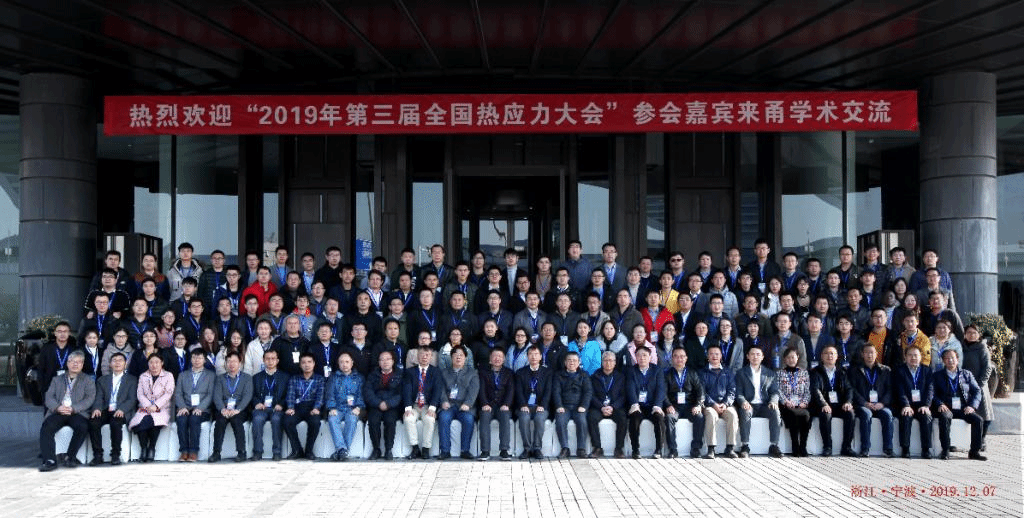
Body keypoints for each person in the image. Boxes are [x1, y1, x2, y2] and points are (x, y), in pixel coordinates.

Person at [38, 351, 95, 472]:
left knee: (83, 426)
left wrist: (74, 408)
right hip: (58, 411)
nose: (75, 364)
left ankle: (70, 457)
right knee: (47, 427)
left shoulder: (88, 380)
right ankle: (50, 460)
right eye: (72, 361)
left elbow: (89, 399)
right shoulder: (56, 379)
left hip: (77, 412)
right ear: (67, 363)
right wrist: (58, 407)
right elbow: (49, 397)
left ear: (82, 364)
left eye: (79, 362)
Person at [932, 349, 986, 460]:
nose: (950, 360)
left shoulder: (966, 374)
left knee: (978, 420)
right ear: (943, 361)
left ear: (957, 360)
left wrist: (972, 406)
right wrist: (939, 403)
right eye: (947, 358)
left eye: (952, 358)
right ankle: (945, 450)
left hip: (963, 408)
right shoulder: (937, 376)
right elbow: (931, 393)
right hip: (947, 407)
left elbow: (977, 391)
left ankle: (974, 452)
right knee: (944, 418)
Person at [88, 352, 137, 466]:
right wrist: (97, 408)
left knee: (115, 423)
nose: (117, 363)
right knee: (93, 422)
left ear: (125, 364)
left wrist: (122, 409)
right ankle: (98, 455)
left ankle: (115, 454)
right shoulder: (102, 380)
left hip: (121, 410)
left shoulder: (132, 379)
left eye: (120, 360)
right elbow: (98, 397)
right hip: (105, 409)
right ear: (110, 364)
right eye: (114, 360)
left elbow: (132, 399)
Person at [734, 346, 783, 458]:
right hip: (749, 404)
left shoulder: (770, 373)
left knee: (775, 412)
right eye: (752, 354)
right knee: (745, 412)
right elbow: (738, 392)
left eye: (758, 354)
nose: (755, 357)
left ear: (762, 357)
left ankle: (774, 445)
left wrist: (773, 401)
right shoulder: (741, 373)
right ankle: (745, 446)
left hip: (765, 405)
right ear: (747, 356)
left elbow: (775, 392)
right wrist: (743, 402)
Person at [810, 345, 856, 457]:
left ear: (836, 357)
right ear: (822, 356)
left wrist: (848, 402)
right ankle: (827, 447)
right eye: (826, 353)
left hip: (839, 405)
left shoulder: (843, 372)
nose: (829, 356)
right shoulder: (815, 372)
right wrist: (823, 404)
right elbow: (815, 390)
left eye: (832, 353)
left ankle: (846, 447)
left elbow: (849, 389)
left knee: (850, 413)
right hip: (823, 405)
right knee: (825, 414)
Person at [128, 353, 174, 463]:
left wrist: (156, 405)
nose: (154, 365)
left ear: (162, 363)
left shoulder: (168, 376)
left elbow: (168, 393)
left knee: (153, 421)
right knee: (141, 420)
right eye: (151, 362)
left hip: (162, 409)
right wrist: (148, 406)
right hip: (145, 408)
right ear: (148, 364)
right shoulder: (143, 376)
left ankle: (151, 448)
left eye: (157, 362)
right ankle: (144, 449)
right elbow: (140, 394)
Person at [850, 345, 894, 457]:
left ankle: (888, 448)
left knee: (888, 414)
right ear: (862, 354)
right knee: (866, 414)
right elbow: (853, 390)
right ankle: (865, 448)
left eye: (872, 352)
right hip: (863, 404)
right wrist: (864, 403)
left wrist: (882, 403)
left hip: (880, 404)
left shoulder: (885, 370)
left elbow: (890, 390)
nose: (870, 355)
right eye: (867, 352)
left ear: (876, 354)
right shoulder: (855, 370)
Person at [209, 351, 253, 462]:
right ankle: (216, 452)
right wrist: (222, 409)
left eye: (234, 361)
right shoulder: (220, 378)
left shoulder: (247, 378)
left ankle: (241, 452)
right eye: (228, 361)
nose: (231, 364)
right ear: (225, 363)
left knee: (236, 421)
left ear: (240, 363)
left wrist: (238, 409)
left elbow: (247, 396)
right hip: (224, 408)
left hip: (240, 409)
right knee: (220, 422)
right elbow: (217, 396)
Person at [437, 345, 479, 460]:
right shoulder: (444, 372)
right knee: (443, 418)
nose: (458, 357)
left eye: (461, 355)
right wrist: (444, 401)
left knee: (468, 419)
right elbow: (441, 389)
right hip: (449, 405)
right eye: (455, 355)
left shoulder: (472, 373)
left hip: (464, 406)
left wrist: (468, 404)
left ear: (465, 358)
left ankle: (465, 450)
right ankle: (445, 451)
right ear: (451, 358)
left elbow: (474, 390)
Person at [663, 347, 705, 459]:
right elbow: (663, 392)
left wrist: (698, 405)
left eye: (682, 356)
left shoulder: (692, 372)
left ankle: (696, 449)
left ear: (686, 358)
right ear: (672, 358)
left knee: (700, 417)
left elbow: (700, 391)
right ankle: (672, 449)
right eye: (676, 356)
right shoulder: (667, 374)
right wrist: (668, 405)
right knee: (669, 418)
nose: (679, 359)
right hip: (674, 406)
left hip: (689, 406)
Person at [173, 348, 214, 462]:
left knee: (194, 419)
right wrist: (182, 407)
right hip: (185, 407)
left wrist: (201, 408)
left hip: (202, 409)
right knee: (181, 419)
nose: (196, 360)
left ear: (204, 360)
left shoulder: (211, 375)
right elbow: (178, 393)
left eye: (199, 358)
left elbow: (210, 394)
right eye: (194, 357)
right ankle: (184, 451)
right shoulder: (183, 375)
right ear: (190, 359)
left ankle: (193, 451)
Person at [894, 345, 934, 458]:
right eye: (910, 355)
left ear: (920, 357)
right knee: (906, 416)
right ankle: (905, 449)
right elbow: (899, 389)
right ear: (905, 357)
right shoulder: (899, 370)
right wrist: (906, 405)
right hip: (906, 405)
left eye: (916, 355)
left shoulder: (927, 370)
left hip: (922, 405)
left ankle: (926, 449)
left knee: (926, 416)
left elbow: (930, 389)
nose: (913, 358)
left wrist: (926, 405)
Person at [626, 345, 666, 459]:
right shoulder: (631, 370)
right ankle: (635, 450)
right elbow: (630, 387)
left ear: (650, 357)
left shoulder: (657, 370)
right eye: (639, 355)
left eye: (644, 355)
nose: (642, 358)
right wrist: (634, 404)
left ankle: (658, 450)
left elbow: (661, 388)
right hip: (638, 406)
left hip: (653, 405)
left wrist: (657, 405)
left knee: (659, 419)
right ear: (635, 357)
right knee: (634, 418)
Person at [403, 347, 443, 459]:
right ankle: (415, 448)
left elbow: (437, 390)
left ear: (431, 357)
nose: (424, 357)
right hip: (414, 405)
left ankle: (426, 449)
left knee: (430, 419)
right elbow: (406, 389)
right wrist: (408, 408)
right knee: (408, 419)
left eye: (427, 355)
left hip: (427, 405)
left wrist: (432, 407)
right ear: (417, 356)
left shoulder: (436, 372)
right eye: (421, 354)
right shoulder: (410, 372)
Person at [284, 352, 325, 460]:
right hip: (297, 408)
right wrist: (290, 407)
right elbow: (290, 395)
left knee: (315, 422)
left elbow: (320, 396)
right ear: (300, 365)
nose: (307, 365)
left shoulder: (319, 379)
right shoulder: (294, 378)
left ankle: (309, 451)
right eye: (303, 362)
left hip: (312, 408)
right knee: (287, 421)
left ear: (314, 364)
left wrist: (316, 408)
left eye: (309, 362)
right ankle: (297, 450)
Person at [364, 349, 404, 461]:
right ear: (378, 362)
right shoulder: (373, 375)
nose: (385, 362)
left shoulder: (399, 375)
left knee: (390, 421)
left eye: (388, 359)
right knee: (373, 421)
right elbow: (368, 392)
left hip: (392, 406)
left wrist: (388, 403)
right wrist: (378, 403)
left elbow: (400, 394)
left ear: (393, 361)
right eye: (382, 359)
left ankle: (388, 449)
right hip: (376, 404)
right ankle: (376, 449)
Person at [699, 344, 738, 459]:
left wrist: (726, 403)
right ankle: (711, 449)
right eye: (711, 354)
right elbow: (701, 392)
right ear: (707, 356)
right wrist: (713, 404)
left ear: (721, 356)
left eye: (717, 354)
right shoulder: (702, 372)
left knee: (733, 414)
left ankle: (730, 448)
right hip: (709, 405)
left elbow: (732, 390)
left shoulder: (728, 371)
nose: (714, 356)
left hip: (725, 404)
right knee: (711, 415)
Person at [587, 351, 628, 459]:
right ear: (602, 362)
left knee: (622, 418)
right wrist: (601, 407)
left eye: (611, 360)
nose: (608, 363)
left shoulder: (621, 377)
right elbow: (591, 395)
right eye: (605, 360)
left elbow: (623, 396)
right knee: (591, 417)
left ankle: (619, 448)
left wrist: (612, 407)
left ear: (615, 363)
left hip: (615, 407)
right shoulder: (594, 376)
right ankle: (597, 448)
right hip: (599, 407)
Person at [251, 348, 289, 461]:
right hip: (261, 408)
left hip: (277, 409)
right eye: (267, 359)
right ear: (263, 360)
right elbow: (252, 394)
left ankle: (277, 452)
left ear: (277, 360)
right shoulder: (256, 377)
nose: (270, 361)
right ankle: (257, 451)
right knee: (257, 419)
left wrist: (281, 404)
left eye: (273, 359)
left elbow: (288, 394)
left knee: (276, 420)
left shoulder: (285, 377)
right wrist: (257, 403)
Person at [477, 348, 515, 461]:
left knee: (505, 417)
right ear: (490, 359)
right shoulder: (483, 372)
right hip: (488, 404)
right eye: (494, 356)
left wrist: (507, 404)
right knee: (484, 417)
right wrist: (484, 403)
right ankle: (485, 451)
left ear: (504, 359)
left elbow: (511, 390)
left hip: (503, 405)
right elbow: (481, 390)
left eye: (500, 356)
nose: (497, 358)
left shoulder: (509, 373)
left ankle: (504, 450)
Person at [325, 351, 364, 461]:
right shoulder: (333, 377)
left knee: (352, 419)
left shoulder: (359, 378)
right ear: (338, 364)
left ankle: (341, 450)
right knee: (332, 419)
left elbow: (361, 394)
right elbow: (330, 394)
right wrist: (332, 407)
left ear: (352, 363)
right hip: (338, 408)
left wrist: (358, 407)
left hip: (352, 408)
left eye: (347, 362)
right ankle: (343, 450)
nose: (344, 364)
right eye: (341, 362)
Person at [552, 351, 592, 459]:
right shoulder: (558, 375)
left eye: (574, 360)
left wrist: (584, 406)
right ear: (565, 362)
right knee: (560, 421)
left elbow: (588, 392)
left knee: (582, 421)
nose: (572, 363)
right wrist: (559, 406)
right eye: (569, 360)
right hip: (564, 406)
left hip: (579, 407)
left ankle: (581, 449)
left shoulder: (584, 375)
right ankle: (565, 448)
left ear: (579, 363)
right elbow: (556, 392)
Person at [515, 345, 552, 459]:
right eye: (531, 354)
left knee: (539, 419)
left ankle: (537, 448)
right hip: (525, 405)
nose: (533, 357)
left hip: (541, 406)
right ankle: (527, 448)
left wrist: (543, 405)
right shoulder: (520, 372)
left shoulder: (547, 372)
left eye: (536, 354)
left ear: (541, 356)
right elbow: (518, 391)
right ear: (527, 356)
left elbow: (548, 391)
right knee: (524, 418)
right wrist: (523, 404)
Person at [960, 325, 993, 451]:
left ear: (979, 335)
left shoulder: (982, 348)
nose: (971, 335)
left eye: (974, 333)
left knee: (984, 413)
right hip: (963, 385)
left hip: (979, 385)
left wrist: (979, 384)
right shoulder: (961, 347)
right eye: (969, 332)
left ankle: (982, 440)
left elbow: (987, 368)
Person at [777, 347, 812, 457]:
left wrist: (804, 402)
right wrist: (785, 401)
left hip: (801, 404)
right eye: (788, 357)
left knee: (806, 415)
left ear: (797, 358)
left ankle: (803, 446)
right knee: (793, 415)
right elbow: (778, 390)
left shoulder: (804, 373)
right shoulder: (779, 373)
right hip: (787, 405)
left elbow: (808, 390)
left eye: (793, 357)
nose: (791, 360)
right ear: (784, 359)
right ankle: (795, 446)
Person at [36, 321, 77, 402]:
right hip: (50, 387)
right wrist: (42, 388)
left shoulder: (74, 350)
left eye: (65, 331)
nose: (62, 334)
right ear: (55, 333)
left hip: (69, 389)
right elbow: (41, 369)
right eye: (59, 331)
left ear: (69, 333)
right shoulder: (46, 349)